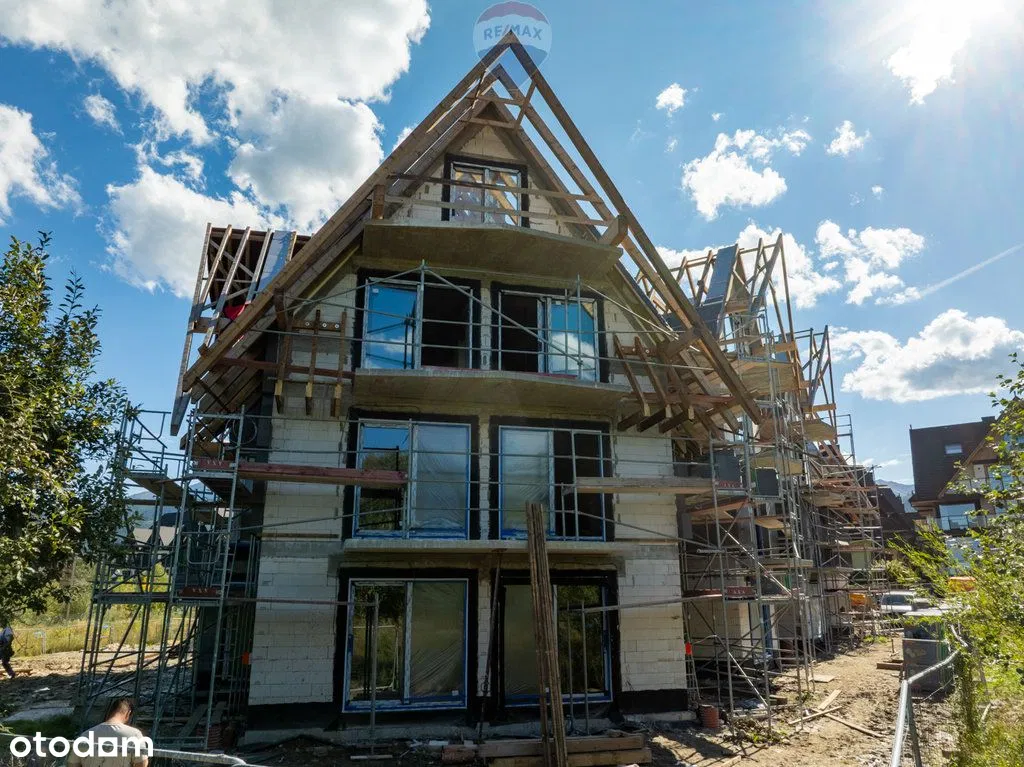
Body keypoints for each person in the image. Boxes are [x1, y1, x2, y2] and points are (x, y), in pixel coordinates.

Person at [68, 697, 149, 767]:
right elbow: (142, 763)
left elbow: (72, 764)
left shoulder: (85, 735)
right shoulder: (134, 734)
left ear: (110, 711)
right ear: (128, 713)